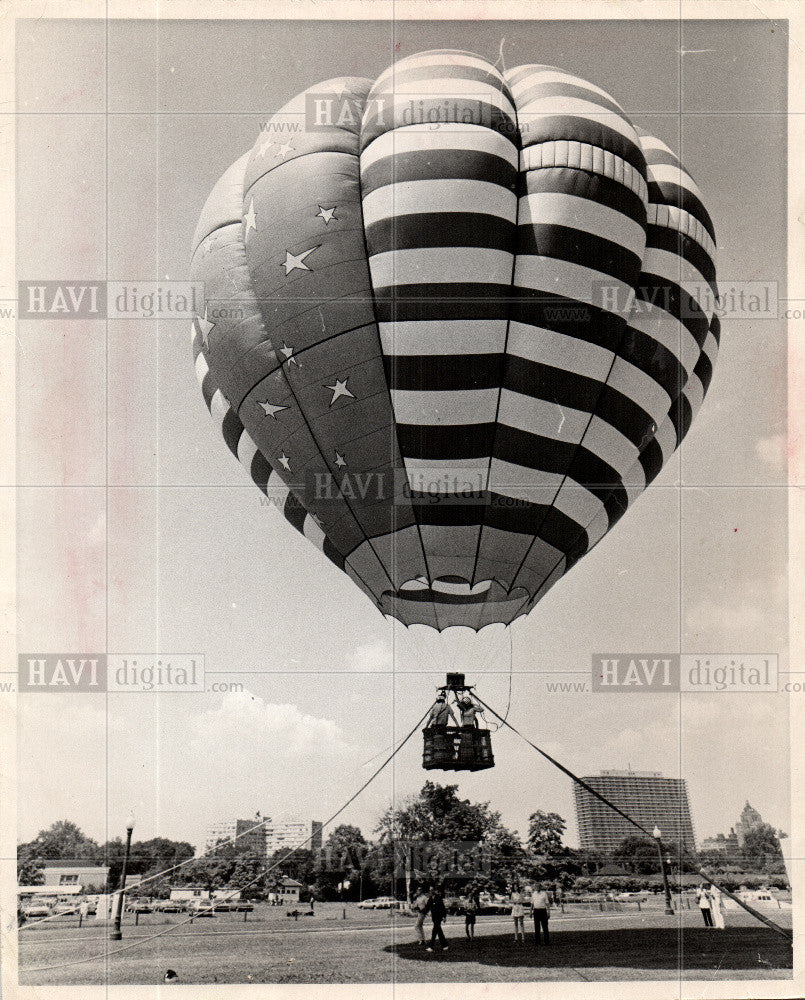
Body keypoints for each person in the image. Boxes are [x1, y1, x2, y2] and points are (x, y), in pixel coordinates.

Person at [424, 885, 448, 952]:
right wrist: (422, 912)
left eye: (432, 890)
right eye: (430, 890)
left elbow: (442, 908)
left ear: (434, 890)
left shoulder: (438, 898)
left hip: (439, 917)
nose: (430, 891)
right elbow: (427, 908)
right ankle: (445, 945)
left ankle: (431, 946)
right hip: (434, 918)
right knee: (439, 931)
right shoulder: (430, 899)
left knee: (434, 931)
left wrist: (444, 917)